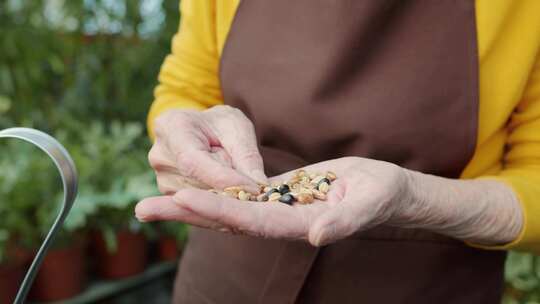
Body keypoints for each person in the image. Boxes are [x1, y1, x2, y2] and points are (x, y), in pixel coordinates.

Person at [135, 1, 540, 303]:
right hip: (226, 278)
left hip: (421, 287)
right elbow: (188, 89)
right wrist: (187, 137)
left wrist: (414, 198)